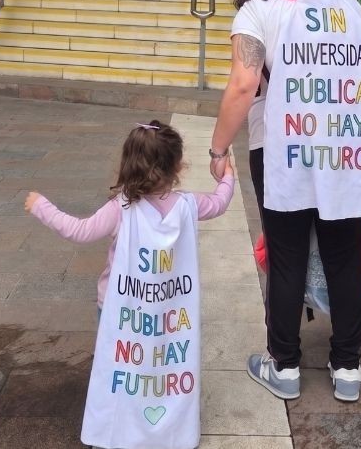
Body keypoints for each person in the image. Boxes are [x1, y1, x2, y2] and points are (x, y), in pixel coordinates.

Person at [207, 0, 361, 403]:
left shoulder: (258, 9)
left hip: (282, 149)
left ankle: (285, 366)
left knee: (287, 256)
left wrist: (217, 149)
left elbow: (244, 84)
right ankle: (347, 367)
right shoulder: (344, 2)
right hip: (346, 147)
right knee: (344, 256)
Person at [24, 120, 234, 449]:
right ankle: (165, 426)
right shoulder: (188, 206)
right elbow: (220, 202)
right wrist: (228, 175)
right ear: (178, 166)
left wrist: (41, 206)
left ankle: (117, 426)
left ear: (128, 164)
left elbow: (79, 230)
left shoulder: (120, 209)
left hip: (118, 308)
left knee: (121, 366)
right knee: (164, 365)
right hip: (170, 311)